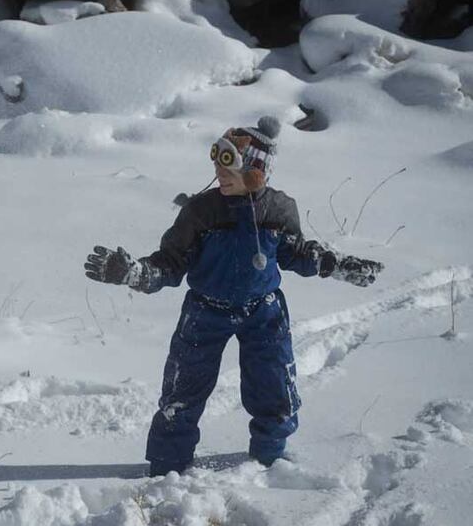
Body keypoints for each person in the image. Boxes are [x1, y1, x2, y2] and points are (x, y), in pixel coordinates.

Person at [84, 117, 383, 477]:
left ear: (257, 172)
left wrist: (338, 265)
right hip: (205, 312)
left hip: (264, 312)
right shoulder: (200, 212)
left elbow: (298, 253)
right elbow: (171, 262)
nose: (219, 173)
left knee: (275, 388)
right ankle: (166, 470)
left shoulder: (279, 210)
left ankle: (269, 463)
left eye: (230, 166)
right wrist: (136, 273)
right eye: (216, 164)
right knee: (182, 393)